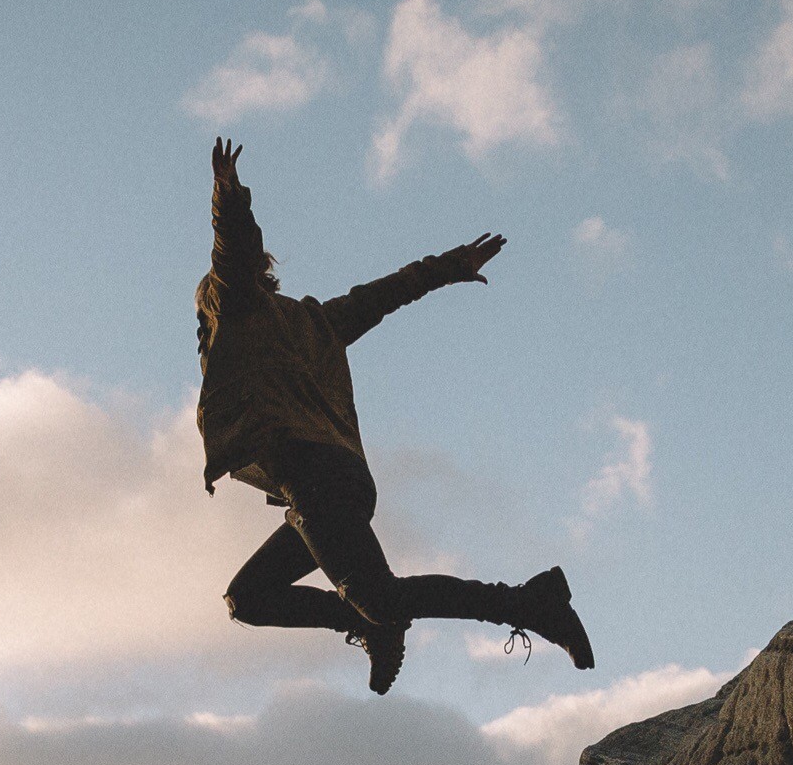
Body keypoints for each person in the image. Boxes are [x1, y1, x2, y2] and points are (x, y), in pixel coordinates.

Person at [196, 137, 594, 696]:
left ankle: (528, 602)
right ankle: (367, 623)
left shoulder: (234, 310)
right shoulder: (316, 324)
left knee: (381, 598)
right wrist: (448, 267)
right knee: (251, 596)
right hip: (324, 484)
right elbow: (379, 296)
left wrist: (228, 199)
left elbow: (232, 253)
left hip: (317, 481)